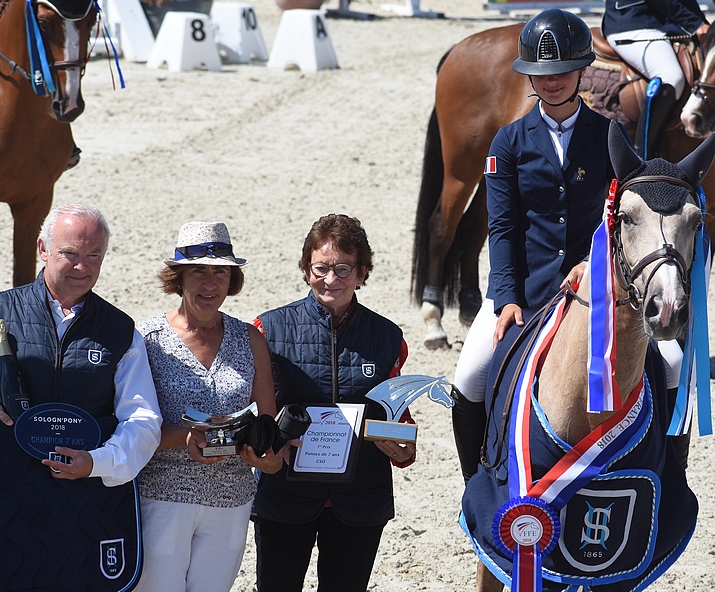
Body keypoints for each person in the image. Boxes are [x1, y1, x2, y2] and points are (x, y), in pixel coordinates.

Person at [452, 9, 617, 483]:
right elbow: (500, 228)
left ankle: (669, 470)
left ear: (583, 69)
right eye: (541, 73)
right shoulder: (508, 142)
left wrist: (593, 263)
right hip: (525, 289)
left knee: (667, 365)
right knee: (469, 379)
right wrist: (505, 299)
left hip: (595, 287)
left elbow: (620, 219)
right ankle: (478, 486)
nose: (552, 81)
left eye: (563, 70)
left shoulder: (609, 137)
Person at [0, 203, 162, 485]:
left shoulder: (121, 330)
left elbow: (143, 418)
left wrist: (97, 462)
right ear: (43, 249)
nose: (82, 266)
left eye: (94, 255)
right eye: (69, 253)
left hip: (81, 491)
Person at [252, 213, 415, 592]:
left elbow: (397, 416)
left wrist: (404, 448)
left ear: (362, 273)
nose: (330, 279)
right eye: (321, 267)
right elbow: (254, 414)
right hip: (285, 495)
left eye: (343, 269)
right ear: (306, 269)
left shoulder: (390, 337)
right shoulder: (267, 330)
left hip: (360, 499)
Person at [134, 221, 284, 592]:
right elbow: (130, 426)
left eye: (220, 272)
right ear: (178, 277)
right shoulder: (146, 338)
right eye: (198, 271)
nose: (209, 283)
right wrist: (186, 438)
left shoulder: (250, 337)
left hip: (231, 500)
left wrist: (267, 457)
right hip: (162, 496)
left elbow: (267, 423)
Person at [603, 0, 709, 158]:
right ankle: (643, 158)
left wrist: (704, 24)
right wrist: (694, 23)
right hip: (634, 24)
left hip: (668, 25)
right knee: (672, 78)